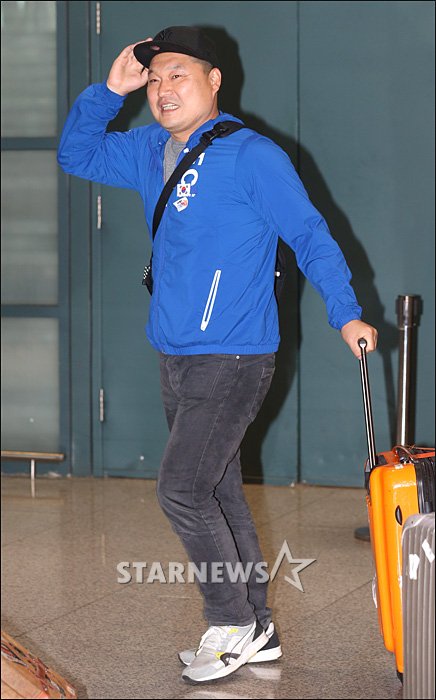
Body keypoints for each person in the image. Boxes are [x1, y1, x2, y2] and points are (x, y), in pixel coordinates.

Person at [57, 25, 378, 684]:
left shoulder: (251, 155)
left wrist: (345, 312)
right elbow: (76, 154)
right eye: (153, 79)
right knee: (217, 488)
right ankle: (256, 626)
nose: (162, 89)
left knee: (181, 488)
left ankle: (229, 623)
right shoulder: (149, 149)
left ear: (214, 80)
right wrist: (108, 91)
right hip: (174, 352)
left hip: (233, 355)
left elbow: (310, 234)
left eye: (177, 74)